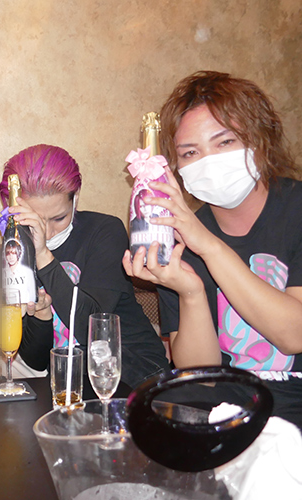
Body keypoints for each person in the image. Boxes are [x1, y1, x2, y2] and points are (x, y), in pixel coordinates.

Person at [122, 71, 302, 427]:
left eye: (225, 142)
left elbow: (293, 335)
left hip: (294, 397)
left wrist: (207, 245)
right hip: (228, 403)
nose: (208, 160)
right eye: (190, 152)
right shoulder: (173, 236)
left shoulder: (295, 210)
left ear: (260, 140)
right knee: (143, 414)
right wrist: (189, 292)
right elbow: (200, 376)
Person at [1, 144, 169, 389]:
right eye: (35, 221)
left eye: (59, 218)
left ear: (75, 198)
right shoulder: (14, 253)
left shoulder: (104, 231)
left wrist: (43, 255)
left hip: (134, 372)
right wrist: (41, 319)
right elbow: (37, 361)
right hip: (66, 380)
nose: (47, 232)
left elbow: (92, 329)